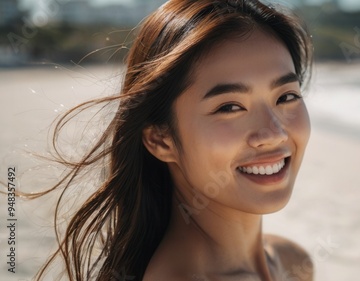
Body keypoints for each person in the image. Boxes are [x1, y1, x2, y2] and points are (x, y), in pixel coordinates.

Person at [35, 0, 314, 280]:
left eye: (286, 97)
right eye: (229, 107)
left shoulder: (292, 263)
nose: (274, 133)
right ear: (160, 139)